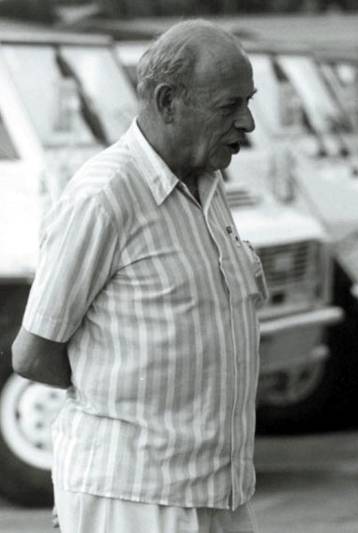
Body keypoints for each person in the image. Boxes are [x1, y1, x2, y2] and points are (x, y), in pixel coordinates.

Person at [11, 20, 263, 533]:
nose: (249, 123)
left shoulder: (209, 188)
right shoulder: (104, 197)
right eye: (229, 106)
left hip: (218, 490)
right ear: (168, 101)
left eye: (249, 102)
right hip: (134, 498)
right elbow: (33, 353)